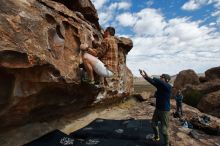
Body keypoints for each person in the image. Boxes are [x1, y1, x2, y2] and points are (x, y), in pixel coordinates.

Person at [139, 69, 172, 146]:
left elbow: (159, 81)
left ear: (166, 80)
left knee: (164, 130)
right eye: (160, 77)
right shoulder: (160, 86)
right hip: (158, 109)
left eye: (162, 77)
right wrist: (144, 76)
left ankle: (167, 144)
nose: (160, 77)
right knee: (153, 124)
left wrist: (151, 76)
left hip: (165, 111)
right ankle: (157, 137)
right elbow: (151, 81)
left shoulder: (168, 87)